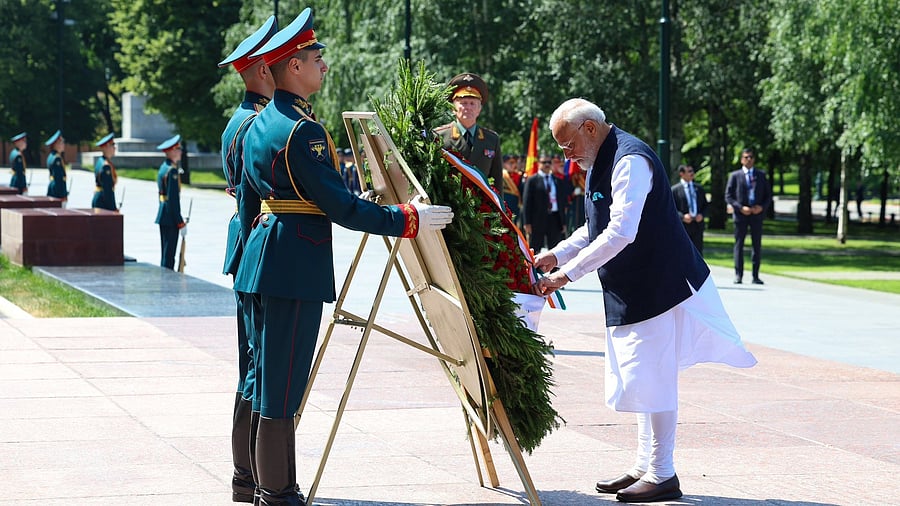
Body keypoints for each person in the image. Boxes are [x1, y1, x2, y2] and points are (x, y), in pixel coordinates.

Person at [232, 8, 453, 505]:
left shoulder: (261, 122)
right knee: (283, 384)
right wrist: (406, 219)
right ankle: (278, 492)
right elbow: (340, 207)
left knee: (264, 377)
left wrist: (250, 259)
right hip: (293, 265)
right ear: (293, 67)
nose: (323, 67)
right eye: (315, 58)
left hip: (262, 261)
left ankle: (253, 484)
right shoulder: (302, 131)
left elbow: (248, 202)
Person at [534, 98, 756, 503]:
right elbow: (594, 226)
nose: (566, 156)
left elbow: (621, 231)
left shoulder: (629, 159)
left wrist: (566, 275)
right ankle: (643, 465)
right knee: (641, 380)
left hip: (658, 285)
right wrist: (558, 253)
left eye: (567, 145)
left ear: (589, 128)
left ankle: (662, 473)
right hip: (634, 287)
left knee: (653, 378)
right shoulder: (601, 160)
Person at [217, 15, 278, 504]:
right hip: (259, 250)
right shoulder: (257, 121)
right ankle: (256, 477)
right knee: (260, 368)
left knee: (251, 366)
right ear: (261, 69)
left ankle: (245, 476)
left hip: (245, 250)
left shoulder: (239, 120)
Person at [434, 72, 503, 197]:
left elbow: (497, 181)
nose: (468, 107)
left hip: (482, 209)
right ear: (453, 108)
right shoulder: (439, 137)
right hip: (450, 206)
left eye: (472, 103)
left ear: (479, 109)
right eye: (463, 103)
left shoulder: (491, 139)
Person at [725, 148, 770, 284]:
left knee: (756, 245)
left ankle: (755, 276)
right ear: (741, 159)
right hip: (741, 215)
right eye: (746, 157)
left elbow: (768, 196)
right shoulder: (735, 175)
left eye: (750, 157)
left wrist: (761, 207)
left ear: (754, 159)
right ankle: (738, 275)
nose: (748, 159)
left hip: (756, 215)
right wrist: (740, 207)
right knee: (739, 245)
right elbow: (728, 196)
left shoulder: (761, 175)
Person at [522, 154, 567, 253]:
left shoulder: (557, 181)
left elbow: (562, 203)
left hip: (554, 218)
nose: (547, 164)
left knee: (555, 248)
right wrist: (527, 222)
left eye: (549, 162)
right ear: (538, 164)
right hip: (537, 219)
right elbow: (526, 203)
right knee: (535, 247)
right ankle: (535, 268)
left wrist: (563, 222)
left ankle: (555, 268)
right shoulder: (532, 180)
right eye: (544, 162)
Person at [154, 134, 186, 270]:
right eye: (178, 149)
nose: (181, 152)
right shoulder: (172, 171)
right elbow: (173, 201)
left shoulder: (164, 167)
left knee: (165, 254)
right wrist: (180, 222)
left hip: (164, 214)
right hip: (170, 217)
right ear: (172, 151)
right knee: (169, 256)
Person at [671, 164, 708, 255]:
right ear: (682, 174)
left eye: (693, 171)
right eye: (689, 171)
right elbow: (671, 208)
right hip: (683, 226)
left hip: (697, 225)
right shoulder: (675, 190)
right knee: (683, 253)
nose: (692, 173)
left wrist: (702, 215)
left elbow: (706, 205)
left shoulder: (698, 188)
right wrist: (682, 217)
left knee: (698, 253)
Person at [91, 133, 118, 211]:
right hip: (103, 203)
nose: (114, 148)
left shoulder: (101, 161)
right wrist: (113, 208)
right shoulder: (106, 166)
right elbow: (108, 190)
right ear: (106, 146)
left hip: (100, 200)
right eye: (112, 145)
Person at [45, 130, 69, 203]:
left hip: (53, 187)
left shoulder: (51, 156)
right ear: (56, 144)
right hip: (57, 190)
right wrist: (63, 194)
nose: (63, 145)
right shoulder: (57, 159)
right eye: (61, 143)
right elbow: (59, 178)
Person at [501, 154, 522, 219]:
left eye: (514, 163)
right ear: (504, 164)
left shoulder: (519, 176)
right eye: (510, 163)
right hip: (505, 205)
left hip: (516, 206)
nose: (513, 165)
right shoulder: (502, 175)